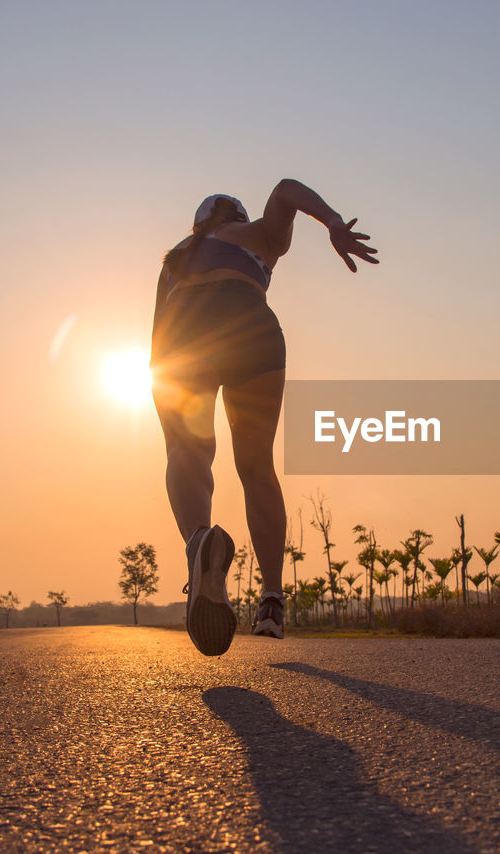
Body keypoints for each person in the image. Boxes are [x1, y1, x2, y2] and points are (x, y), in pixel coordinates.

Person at [151, 182, 377, 656]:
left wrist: (169, 420)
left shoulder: (175, 259)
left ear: (199, 224)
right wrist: (333, 222)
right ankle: (271, 601)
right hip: (250, 326)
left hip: (185, 328)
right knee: (256, 468)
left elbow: (157, 339)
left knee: (188, 452)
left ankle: (199, 544)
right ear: (236, 214)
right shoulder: (261, 237)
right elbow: (286, 189)